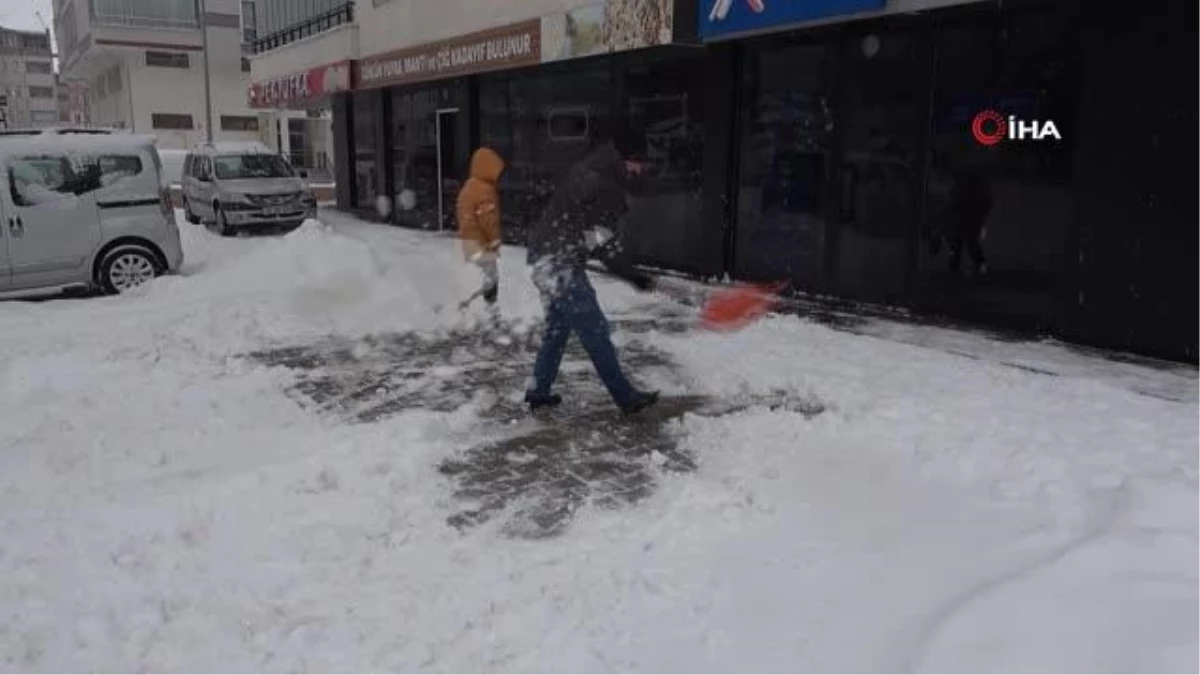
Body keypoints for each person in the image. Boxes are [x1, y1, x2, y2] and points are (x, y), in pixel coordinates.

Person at [524, 122, 660, 415]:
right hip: (560, 262)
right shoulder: (605, 183)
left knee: (558, 330)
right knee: (594, 329)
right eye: (639, 164)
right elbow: (602, 242)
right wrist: (631, 275)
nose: (640, 171)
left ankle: (538, 390)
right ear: (628, 160)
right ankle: (626, 398)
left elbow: (585, 229)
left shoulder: (593, 169)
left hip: (543, 257)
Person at [456, 147, 506, 316]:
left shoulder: (469, 186)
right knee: (491, 278)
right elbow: (488, 220)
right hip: (480, 241)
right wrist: (494, 241)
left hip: (469, 240)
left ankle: (479, 307)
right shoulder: (485, 189)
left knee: (488, 276)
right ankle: (485, 310)